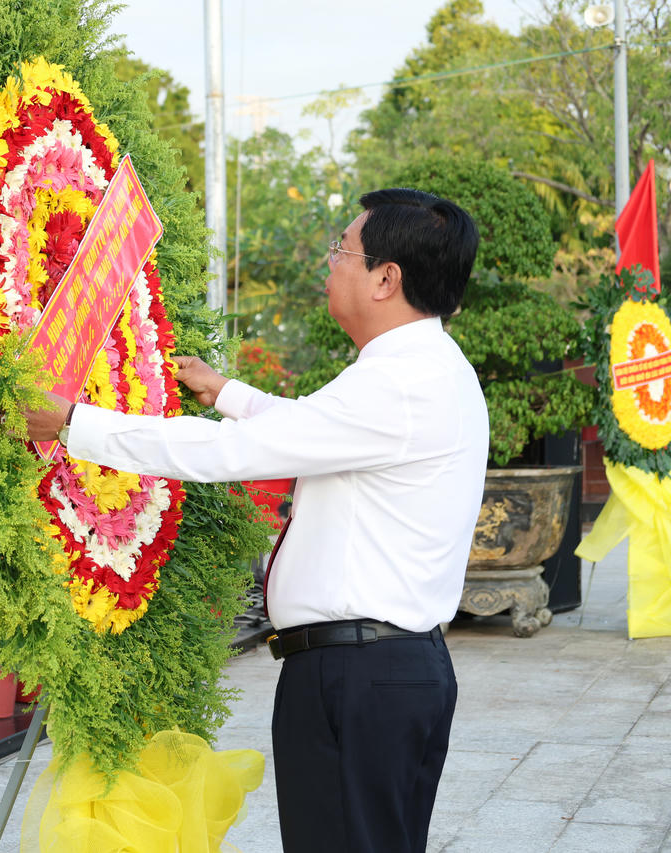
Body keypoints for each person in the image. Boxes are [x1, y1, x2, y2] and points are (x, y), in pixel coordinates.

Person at [26, 188, 488, 853]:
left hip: (359, 675)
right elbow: (314, 431)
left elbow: (228, 453)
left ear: (387, 278)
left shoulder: (399, 384)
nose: (329, 264)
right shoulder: (424, 369)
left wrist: (73, 422)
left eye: (342, 250)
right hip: (382, 669)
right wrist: (228, 392)